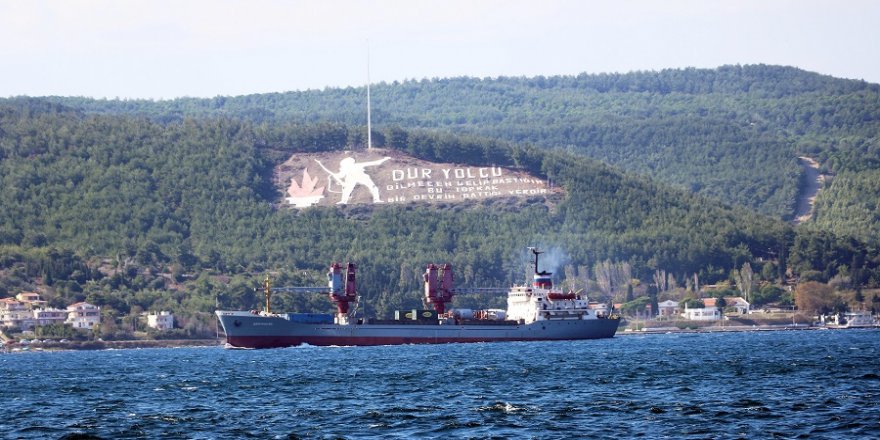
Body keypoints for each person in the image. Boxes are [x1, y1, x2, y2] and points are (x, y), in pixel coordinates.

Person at [316, 156, 390, 204]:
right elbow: (338, 175)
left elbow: (376, 163)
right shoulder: (346, 169)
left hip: (363, 177)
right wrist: (322, 165)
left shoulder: (357, 165)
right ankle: (343, 201)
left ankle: (377, 200)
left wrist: (384, 159)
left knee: (373, 187)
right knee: (346, 190)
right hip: (352, 179)